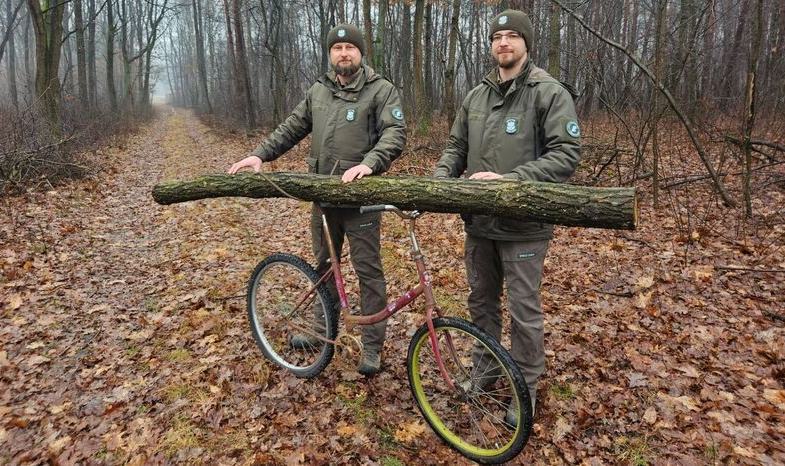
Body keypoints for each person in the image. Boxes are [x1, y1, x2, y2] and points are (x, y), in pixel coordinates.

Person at [228, 24, 407, 375]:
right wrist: (260, 155)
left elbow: (395, 133)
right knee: (323, 266)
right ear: (330, 54)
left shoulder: (380, 90)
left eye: (349, 48)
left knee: (369, 273)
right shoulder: (319, 90)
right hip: (322, 200)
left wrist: (370, 165)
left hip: (361, 202)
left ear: (360, 53)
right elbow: (292, 127)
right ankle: (320, 330)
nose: (344, 53)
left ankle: (372, 347)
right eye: (337, 47)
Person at [434, 9, 582, 415]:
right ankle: (486, 371)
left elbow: (566, 155)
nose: (504, 43)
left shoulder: (548, 92)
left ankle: (525, 385)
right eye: (497, 36)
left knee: (523, 309)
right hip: (479, 222)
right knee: (480, 301)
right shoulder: (475, 96)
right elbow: (456, 148)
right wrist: (440, 179)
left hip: (524, 225)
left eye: (512, 35)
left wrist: (511, 180)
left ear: (526, 43)